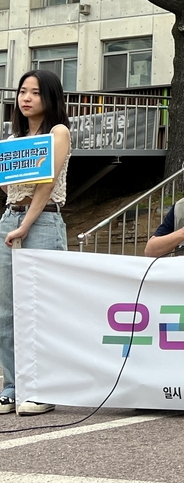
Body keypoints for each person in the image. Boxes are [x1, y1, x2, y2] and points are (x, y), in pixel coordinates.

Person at [0, 70, 72, 416]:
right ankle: (12, 387)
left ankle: (44, 388)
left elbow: (46, 184)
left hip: (42, 221)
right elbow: (11, 188)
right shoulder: (13, 139)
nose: (26, 98)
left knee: (41, 306)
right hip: (10, 218)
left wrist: (25, 224)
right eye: (22, 92)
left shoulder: (58, 132)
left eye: (35, 93)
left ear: (50, 97)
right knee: (7, 309)